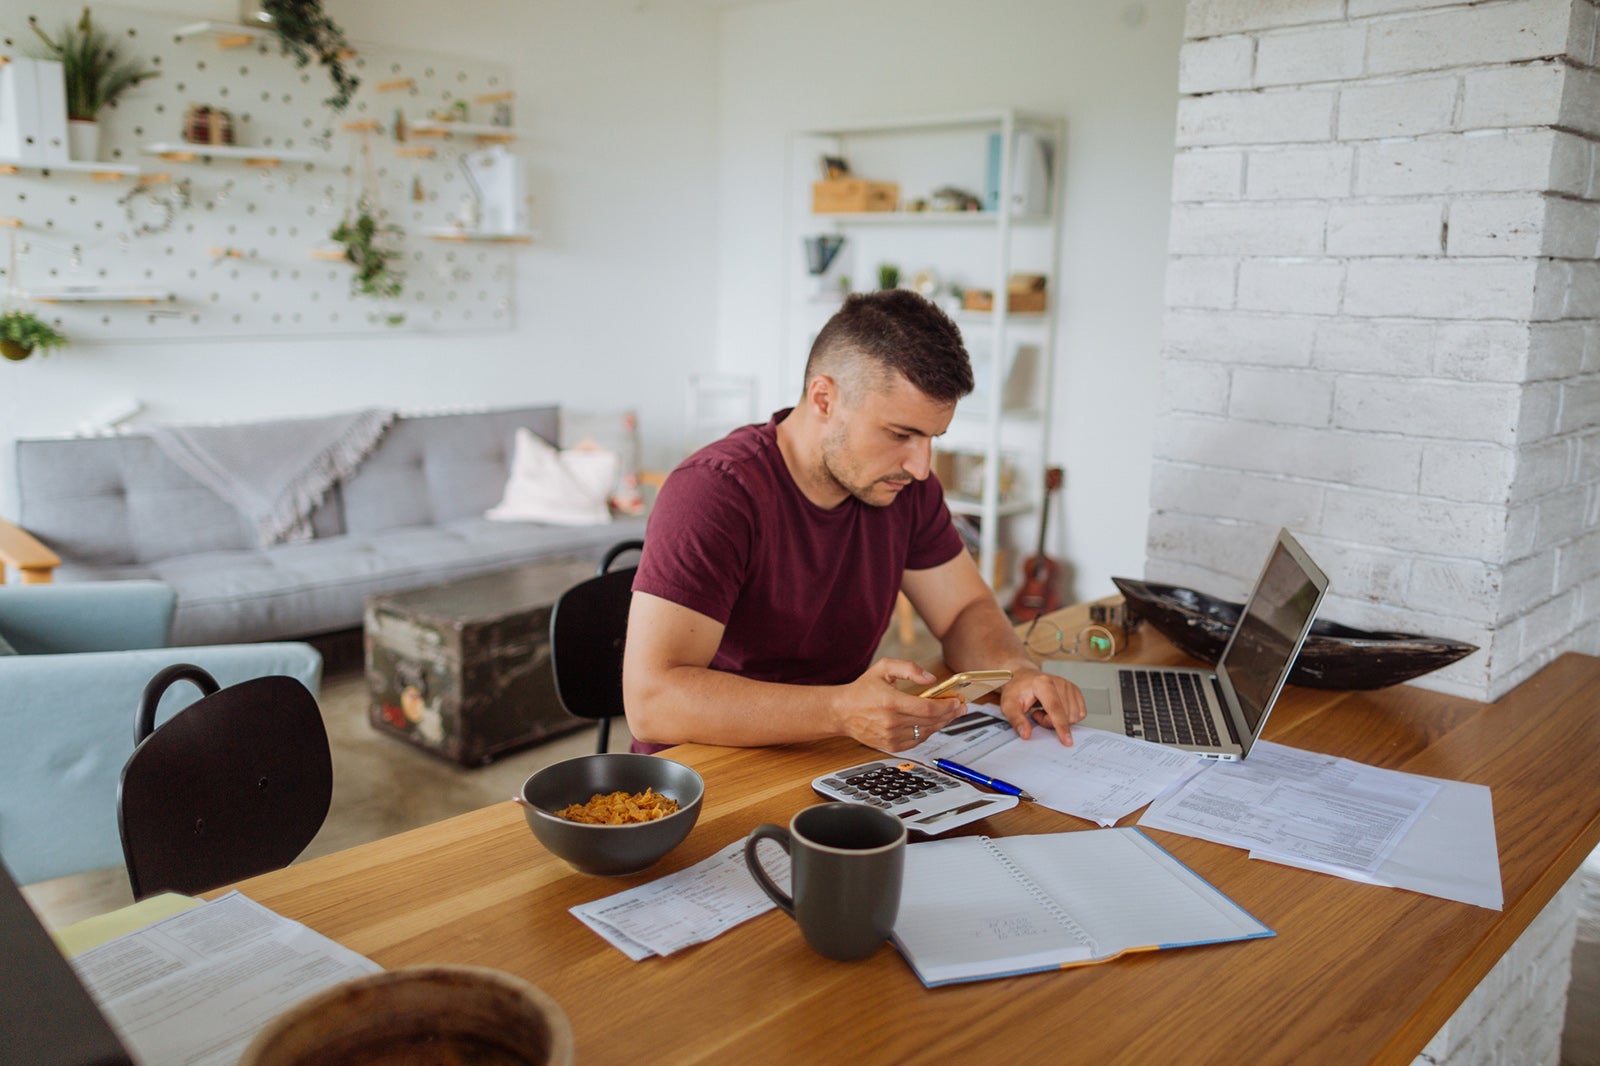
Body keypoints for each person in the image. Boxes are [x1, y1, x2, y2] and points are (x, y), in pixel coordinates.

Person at [623, 289, 1084, 753]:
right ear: (823, 398)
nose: (921, 467)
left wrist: (1016, 671)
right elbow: (651, 702)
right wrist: (840, 710)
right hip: (709, 772)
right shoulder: (716, 493)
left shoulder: (907, 488)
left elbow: (965, 609)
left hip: (831, 751)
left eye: (932, 438)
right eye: (901, 434)